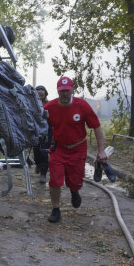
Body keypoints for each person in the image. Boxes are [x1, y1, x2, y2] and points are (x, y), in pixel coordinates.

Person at [44, 77, 107, 223]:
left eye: (67, 91)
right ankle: (55, 209)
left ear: (72, 90)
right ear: (57, 91)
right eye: (61, 91)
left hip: (78, 149)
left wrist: (101, 150)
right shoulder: (49, 107)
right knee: (55, 180)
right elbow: (36, 121)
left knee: (75, 180)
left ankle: (74, 190)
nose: (64, 94)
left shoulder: (82, 106)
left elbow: (96, 127)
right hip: (58, 148)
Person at [33, 85, 52, 184]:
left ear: (45, 93)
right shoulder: (32, 104)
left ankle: (43, 173)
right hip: (35, 131)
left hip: (47, 131)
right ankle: (38, 165)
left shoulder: (49, 104)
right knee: (36, 151)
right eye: (38, 91)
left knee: (44, 151)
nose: (40, 92)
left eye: (42, 91)